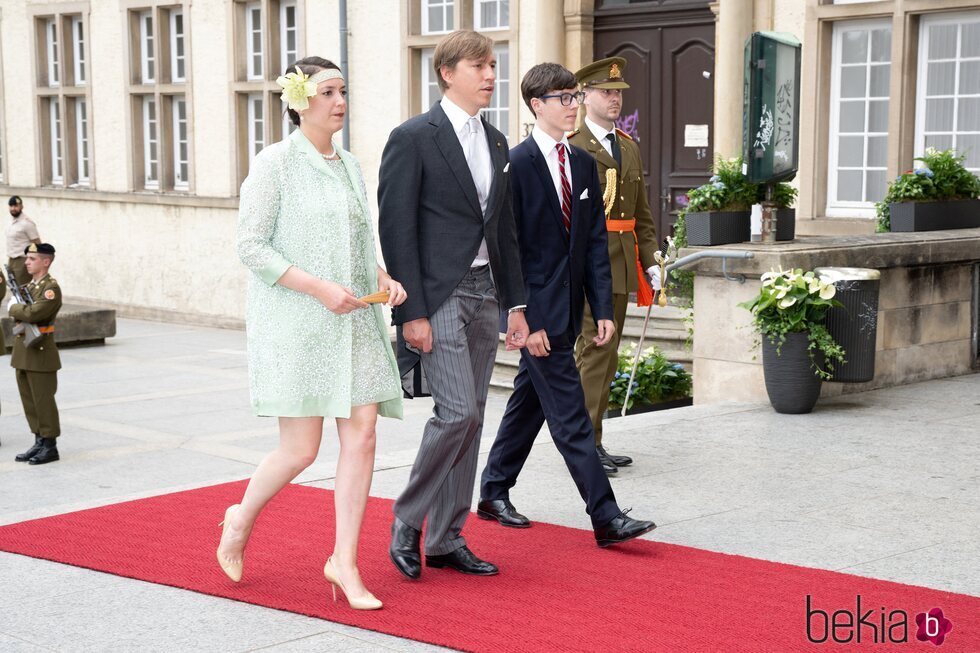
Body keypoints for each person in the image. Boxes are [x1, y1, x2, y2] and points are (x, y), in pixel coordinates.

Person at [220, 56, 407, 611]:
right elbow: (251, 246)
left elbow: (358, 243)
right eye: (327, 91)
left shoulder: (350, 164)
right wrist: (318, 288)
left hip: (355, 322)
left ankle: (345, 561)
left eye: (343, 90)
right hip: (301, 322)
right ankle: (240, 518)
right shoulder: (274, 163)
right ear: (300, 101)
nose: (339, 101)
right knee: (300, 449)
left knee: (364, 433)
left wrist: (383, 277)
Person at [477, 63, 656, 548]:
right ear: (537, 105)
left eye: (575, 96)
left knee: (527, 404)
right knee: (571, 415)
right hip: (537, 314)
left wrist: (601, 307)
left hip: (571, 307)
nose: (573, 104)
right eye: (564, 98)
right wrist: (522, 316)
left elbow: (595, 242)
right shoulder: (514, 165)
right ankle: (606, 516)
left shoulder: (580, 163)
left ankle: (493, 491)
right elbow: (505, 247)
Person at [378, 30, 529, 580]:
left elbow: (504, 229)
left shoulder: (495, 141)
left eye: (493, 65)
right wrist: (410, 312)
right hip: (437, 292)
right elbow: (396, 229)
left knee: (474, 419)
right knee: (457, 412)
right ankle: (408, 520)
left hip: (488, 293)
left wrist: (516, 304)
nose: (490, 75)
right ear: (447, 72)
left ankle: (445, 537)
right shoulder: (413, 137)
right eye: (478, 66)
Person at [570, 57, 661, 475]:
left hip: (622, 261)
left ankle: (595, 438)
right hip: (590, 263)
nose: (614, 98)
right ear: (584, 95)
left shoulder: (627, 145)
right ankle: (583, 444)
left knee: (609, 355)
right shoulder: (573, 145)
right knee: (593, 350)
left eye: (618, 92)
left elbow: (641, 215)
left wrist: (651, 260)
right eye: (606, 92)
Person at [9, 243, 62, 465]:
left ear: (45, 261)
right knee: (29, 401)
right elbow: (25, 316)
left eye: (32, 259)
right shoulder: (29, 287)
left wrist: (14, 308)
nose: (27, 263)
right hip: (24, 352)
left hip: (41, 353)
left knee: (43, 400)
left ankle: (50, 445)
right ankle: (38, 439)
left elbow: (33, 313)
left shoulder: (50, 289)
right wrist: (21, 311)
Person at [6, 197, 42, 290]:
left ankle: (27, 305)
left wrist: (35, 261)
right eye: (11, 206)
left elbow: (37, 243)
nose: (13, 208)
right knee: (14, 289)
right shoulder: (11, 222)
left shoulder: (27, 223)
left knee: (23, 290)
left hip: (23, 261)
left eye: (16, 206)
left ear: (21, 206)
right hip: (11, 260)